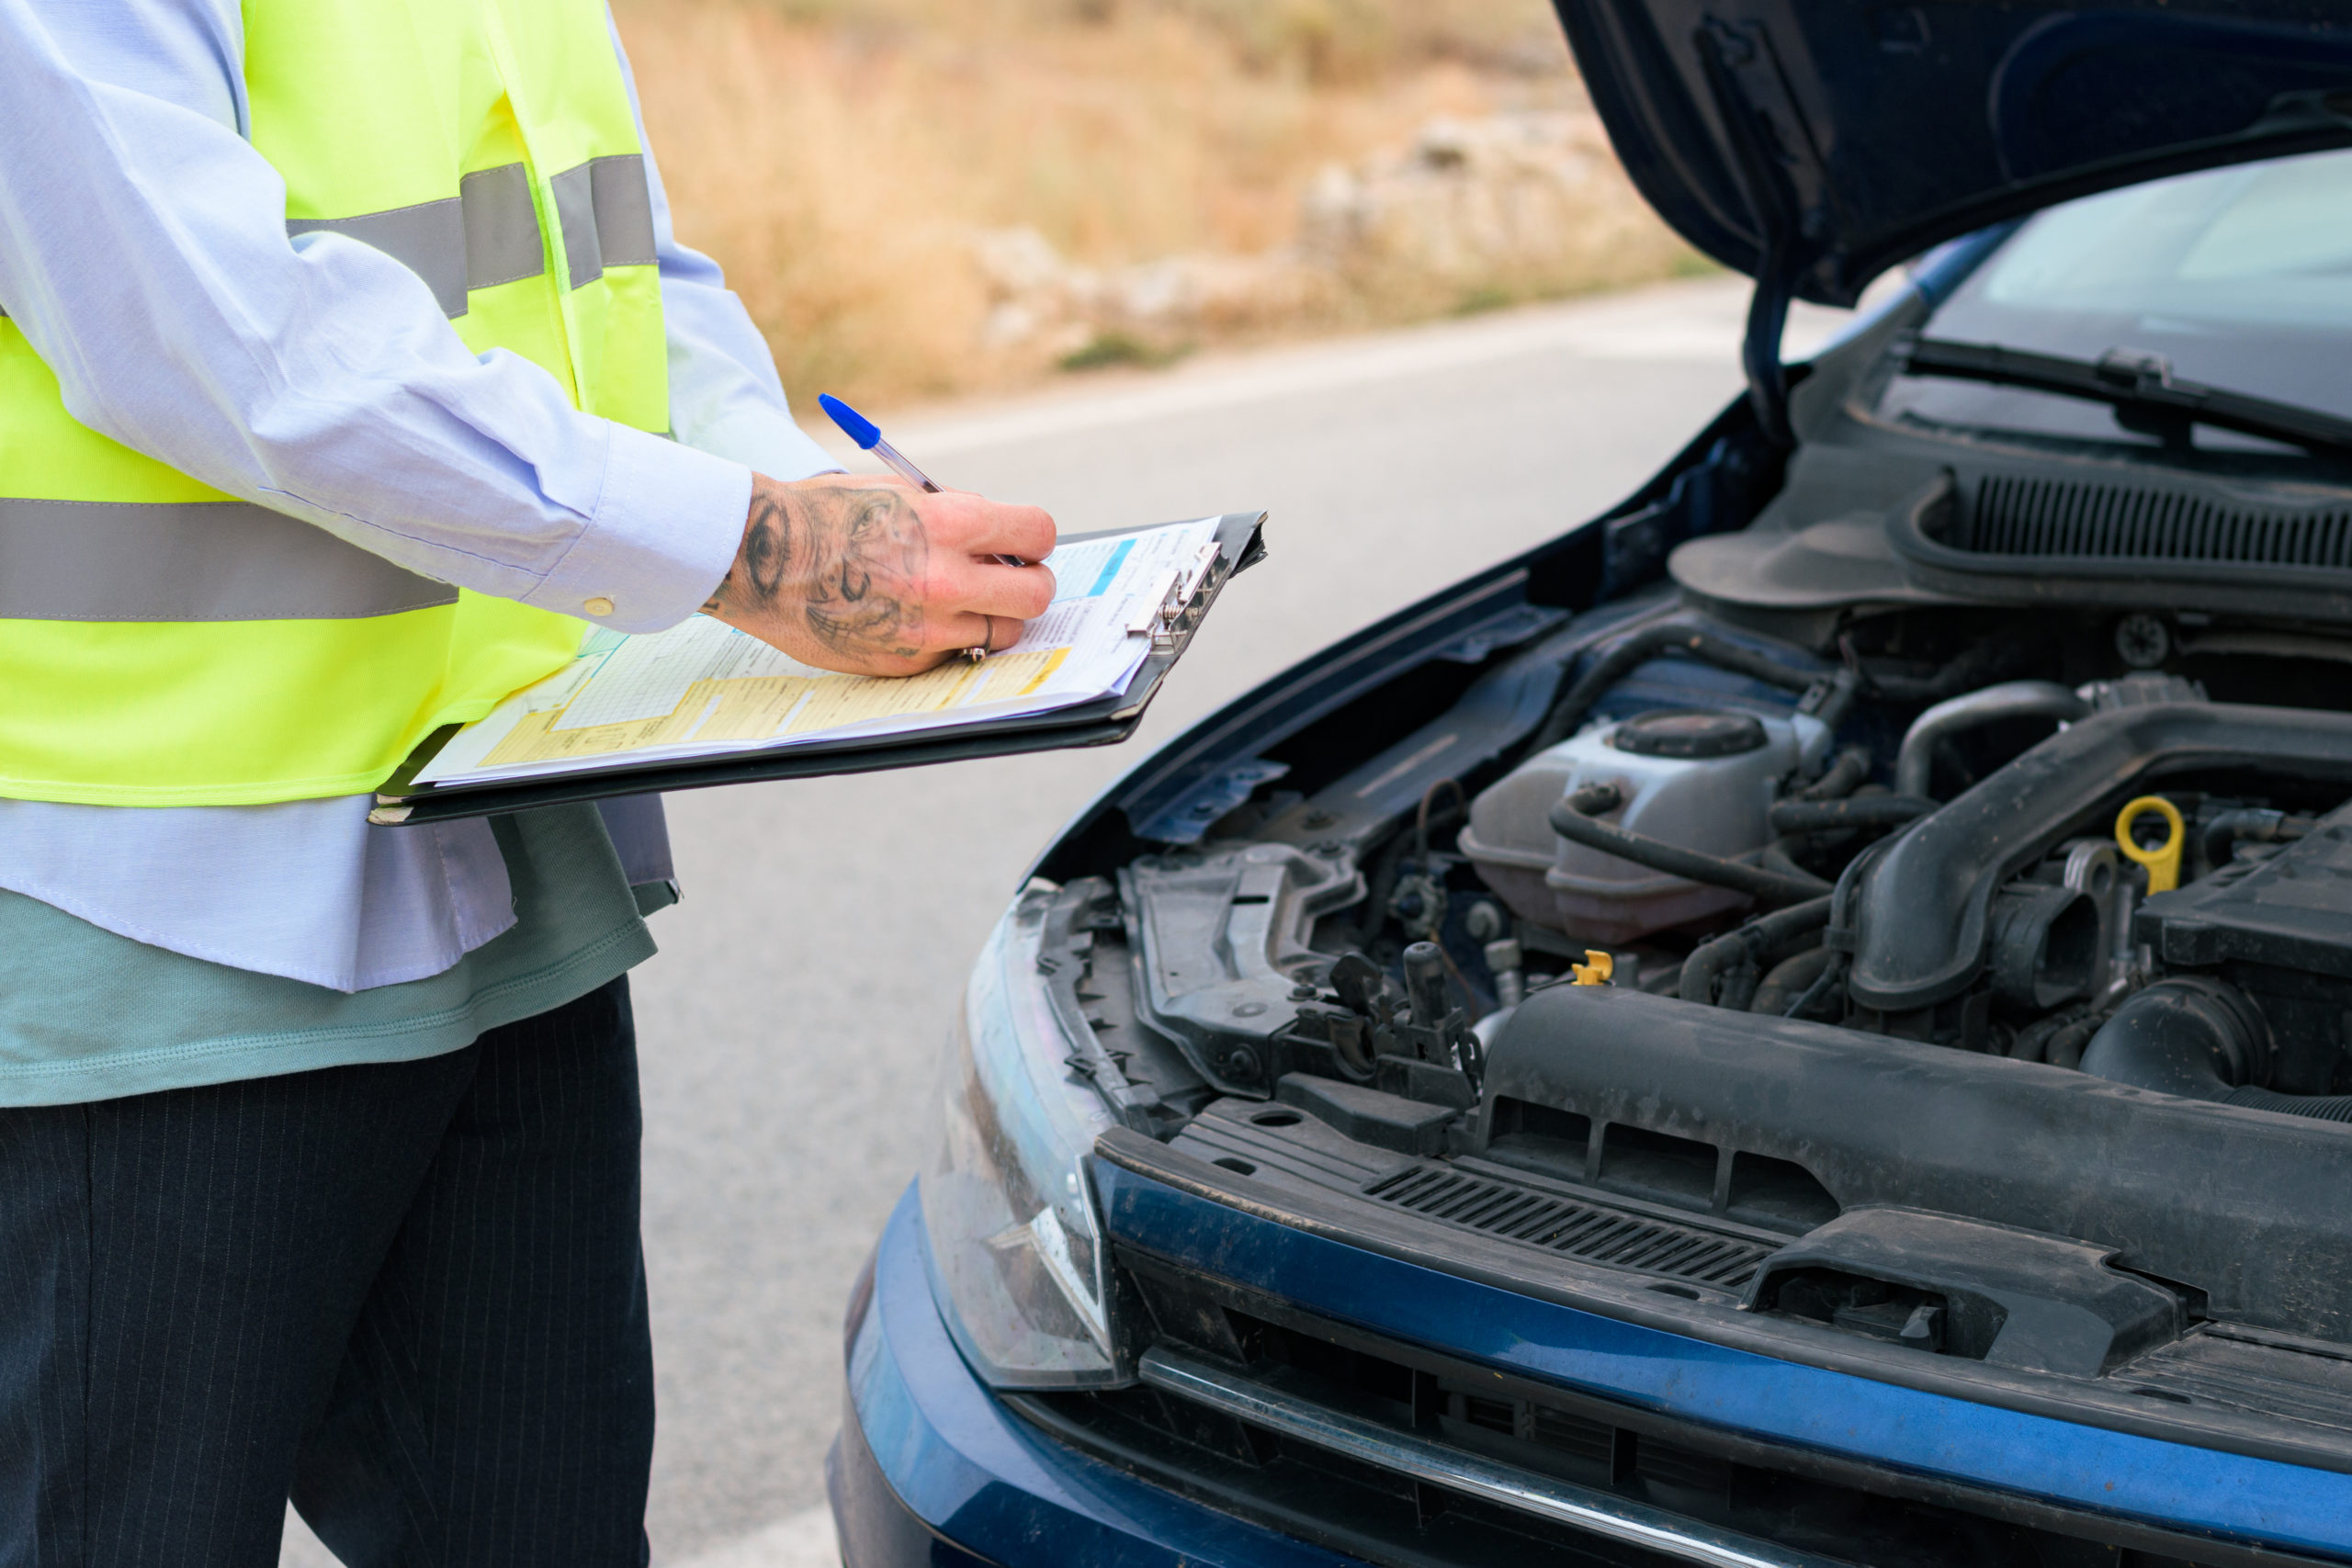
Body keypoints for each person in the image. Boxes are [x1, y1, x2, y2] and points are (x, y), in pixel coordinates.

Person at [0, 1, 1056, 1562]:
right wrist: (751, 548)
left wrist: (796, 484)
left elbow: (617, 276)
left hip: (501, 860)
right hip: (171, 921)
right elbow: (224, 338)